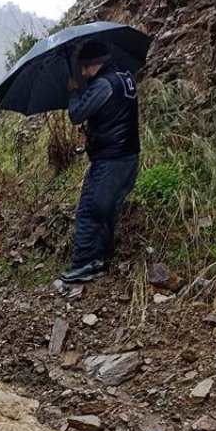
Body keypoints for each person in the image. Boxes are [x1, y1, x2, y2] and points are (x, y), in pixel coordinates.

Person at [59, 39, 140, 284]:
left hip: (110, 160)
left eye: (85, 67)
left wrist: (73, 91)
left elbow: (76, 114)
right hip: (128, 157)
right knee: (107, 211)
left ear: (95, 63)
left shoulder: (104, 83)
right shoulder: (125, 76)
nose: (83, 72)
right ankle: (100, 259)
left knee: (89, 211)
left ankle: (84, 263)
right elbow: (113, 114)